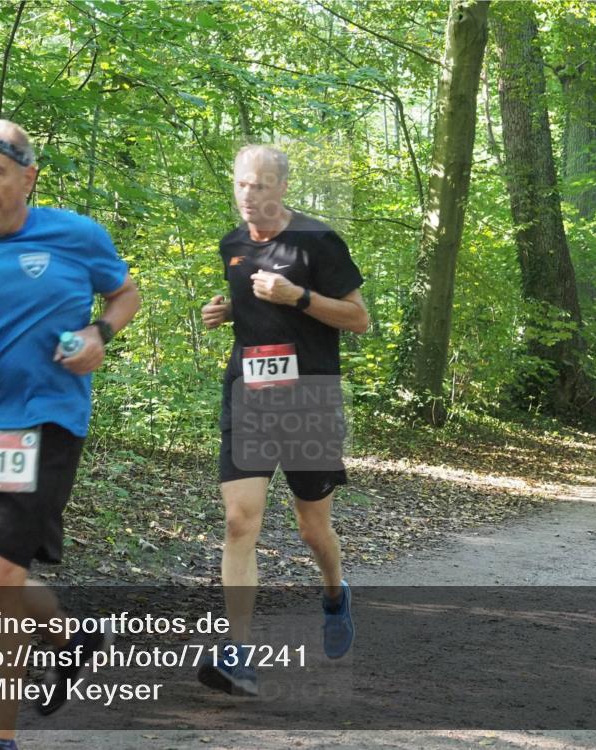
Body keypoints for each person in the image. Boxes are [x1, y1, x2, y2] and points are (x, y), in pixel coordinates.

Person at [0, 119, 140, 750]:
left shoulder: (75, 235)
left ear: (28, 177)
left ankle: (0, 739)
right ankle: (74, 640)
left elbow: (124, 293)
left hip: (50, 420)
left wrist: (100, 334)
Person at [197, 145, 369, 696]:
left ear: (282, 188)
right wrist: (226, 311)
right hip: (249, 394)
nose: (249, 196)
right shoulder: (233, 244)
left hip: (309, 400)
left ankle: (335, 594)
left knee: (311, 528)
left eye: (261, 187)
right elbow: (252, 309)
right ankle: (238, 652)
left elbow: (359, 319)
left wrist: (299, 296)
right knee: (239, 521)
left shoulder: (319, 242)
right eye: (241, 185)